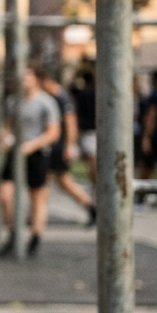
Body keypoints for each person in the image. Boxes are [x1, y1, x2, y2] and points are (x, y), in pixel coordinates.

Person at [0, 64, 61, 257]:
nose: (23, 79)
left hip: (37, 153)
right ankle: (13, 231)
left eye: (27, 75)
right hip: (16, 152)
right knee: (5, 194)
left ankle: (35, 236)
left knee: (37, 198)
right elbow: (7, 126)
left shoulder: (46, 102)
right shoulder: (13, 101)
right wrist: (5, 139)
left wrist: (32, 145)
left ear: (36, 78)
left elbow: (53, 133)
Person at [41, 70, 96, 226]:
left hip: (59, 146)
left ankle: (90, 206)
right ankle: (89, 206)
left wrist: (69, 146)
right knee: (61, 182)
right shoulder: (57, 97)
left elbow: (71, 122)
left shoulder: (61, 97)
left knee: (53, 182)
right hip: (56, 145)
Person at [70, 67, 98, 186]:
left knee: (91, 161)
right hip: (96, 128)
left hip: (87, 129)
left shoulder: (82, 93)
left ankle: (96, 185)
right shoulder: (98, 92)